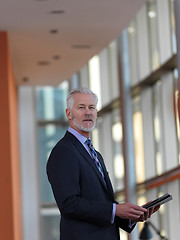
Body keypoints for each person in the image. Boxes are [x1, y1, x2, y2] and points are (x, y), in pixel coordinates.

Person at [46, 87, 160, 240]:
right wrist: (115, 210)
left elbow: (101, 203)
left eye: (91, 107)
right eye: (81, 107)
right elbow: (69, 204)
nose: (88, 112)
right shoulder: (64, 151)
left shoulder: (95, 154)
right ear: (69, 113)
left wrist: (131, 215)